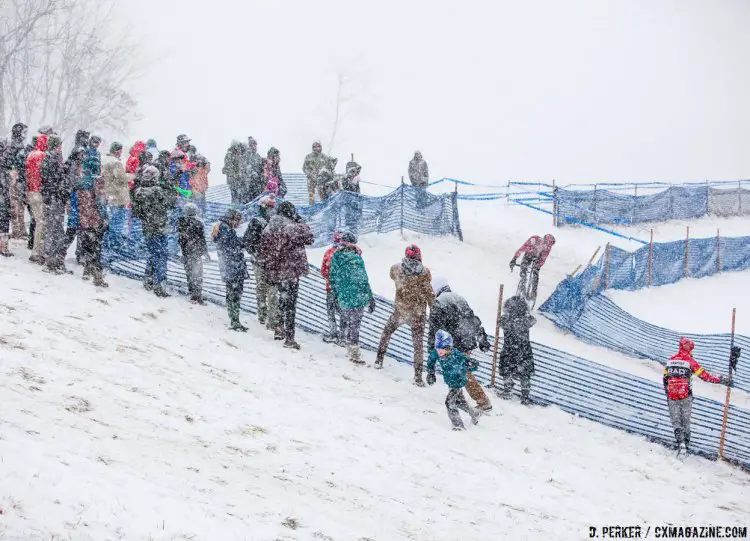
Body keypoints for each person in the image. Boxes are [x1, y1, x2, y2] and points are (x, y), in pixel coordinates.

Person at [428, 277, 493, 411]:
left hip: (453, 343)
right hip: (466, 339)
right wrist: (482, 337)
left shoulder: (438, 303)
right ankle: (459, 398)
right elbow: (473, 319)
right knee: (458, 371)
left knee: (462, 371)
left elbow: (435, 329)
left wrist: (432, 347)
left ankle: (482, 402)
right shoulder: (459, 298)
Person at [374, 244, 435, 386]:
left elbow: (391, 276)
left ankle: (379, 359)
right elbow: (430, 294)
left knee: (387, 332)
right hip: (418, 313)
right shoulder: (424, 273)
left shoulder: (396, 269)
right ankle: (418, 377)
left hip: (401, 310)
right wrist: (433, 310)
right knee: (418, 345)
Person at [664, 338, 736, 453]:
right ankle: (686, 445)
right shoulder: (690, 361)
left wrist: (668, 394)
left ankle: (680, 443)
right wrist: (721, 380)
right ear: (689, 348)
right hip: (685, 395)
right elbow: (704, 376)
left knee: (676, 420)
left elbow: (665, 379)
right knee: (685, 420)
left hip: (672, 395)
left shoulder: (670, 360)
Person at [259, 201, 314, 349]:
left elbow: (263, 250)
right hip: (290, 270)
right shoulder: (292, 228)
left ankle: (278, 327)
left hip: (275, 271)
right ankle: (290, 338)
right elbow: (310, 237)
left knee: (282, 300)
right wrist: (300, 222)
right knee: (290, 304)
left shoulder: (268, 228)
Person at [329, 232, 376, 365]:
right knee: (355, 324)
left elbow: (333, 278)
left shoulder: (336, 256)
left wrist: (336, 296)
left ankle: (349, 347)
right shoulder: (357, 258)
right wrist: (370, 297)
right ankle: (354, 352)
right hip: (358, 294)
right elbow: (363, 279)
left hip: (344, 295)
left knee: (349, 322)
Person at [132, 165, 177, 297]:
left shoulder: (139, 191)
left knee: (152, 254)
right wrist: (170, 190)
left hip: (147, 227)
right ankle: (160, 284)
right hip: (160, 227)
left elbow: (136, 212)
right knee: (161, 256)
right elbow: (170, 204)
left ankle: (148, 279)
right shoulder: (157, 191)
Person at [426, 330, 481, 431]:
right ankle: (475, 413)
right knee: (459, 402)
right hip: (449, 380)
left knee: (449, 402)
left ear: (449, 348)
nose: (439, 351)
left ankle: (458, 425)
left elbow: (467, 364)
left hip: (458, 381)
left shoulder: (457, 355)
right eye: (437, 349)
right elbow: (431, 359)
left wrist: (472, 365)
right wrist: (431, 372)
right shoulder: (437, 353)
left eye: (441, 349)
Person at [76, 142, 109, 288]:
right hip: (96, 219)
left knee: (88, 245)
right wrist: (105, 218)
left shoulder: (82, 181)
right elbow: (100, 202)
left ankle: (86, 271)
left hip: (84, 219)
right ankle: (97, 276)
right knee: (96, 248)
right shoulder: (97, 181)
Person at [243, 193, 278, 328]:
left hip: (271, 261)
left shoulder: (275, 222)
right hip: (262, 261)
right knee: (264, 288)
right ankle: (264, 315)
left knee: (269, 289)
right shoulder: (257, 222)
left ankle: (269, 317)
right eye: (270, 207)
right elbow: (248, 241)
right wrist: (257, 253)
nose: (271, 210)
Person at [211, 208, 249, 331]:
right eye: (237, 220)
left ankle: (234, 319)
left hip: (228, 266)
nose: (238, 223)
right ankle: (235, 321)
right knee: (235, 294)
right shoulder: (226, 229)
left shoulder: (221, 227)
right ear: (231, 218)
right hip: (233, 266)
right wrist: (243, 242)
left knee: (231, 294)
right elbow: (232, 247)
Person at [497, 296, 537, 405]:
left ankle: (507, 390)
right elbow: (533, 320)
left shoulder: (506, 320)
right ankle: (525, 395)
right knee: (525, 372)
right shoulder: (526, 320)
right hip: (524, 349)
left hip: (508, 348)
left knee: (506, 369)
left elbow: (499, 322)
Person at [40, 135, 70, 274]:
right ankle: (51, 261)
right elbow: (53, 180)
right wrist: (59, 191)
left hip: (53, 198)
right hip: (54, 199)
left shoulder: (51, 158)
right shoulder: (52, 158)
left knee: (55, 229)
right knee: (55, 229)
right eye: (59, 145)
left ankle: (53, 259)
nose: (60, 147)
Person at [177, 203, 210, 304]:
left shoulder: (181, 222)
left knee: (189, 273)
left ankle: (192, 293)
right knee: (198, 274)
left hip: (186, 252)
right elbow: (202, 239)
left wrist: (184, 250)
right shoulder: (199, 223)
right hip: (196, 252)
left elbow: (180, 239)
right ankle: (197, 294)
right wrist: (205, 252)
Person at [101, 142, 130, 251]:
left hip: (108, 195)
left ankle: (107, 244)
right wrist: (134, 175)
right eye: (120, 150)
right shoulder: (116, 162)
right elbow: (121, 178)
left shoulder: (103, 160)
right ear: (117, 151)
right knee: (117, 223)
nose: (121, 153)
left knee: (109, 221)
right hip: (117, 196)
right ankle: (114, 246)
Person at [510, 234, 556, 301]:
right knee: (524, 269)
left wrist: (537, 267)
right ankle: (523, 283)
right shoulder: (534, 239)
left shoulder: (548, 248)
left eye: (549, 245)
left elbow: (543, 259)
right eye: (546, 243)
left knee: (535, 273)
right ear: (543, 240)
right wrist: (514, 259)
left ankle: (533, 292)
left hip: (538, 257)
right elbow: (522, 248)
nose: (546, 246)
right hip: (529, 254)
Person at [25, 134, 48, 263]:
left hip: (30, 191)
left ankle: (35, 248)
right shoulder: (42, 156)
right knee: (41, 222)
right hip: (38, 192)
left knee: (37, 220)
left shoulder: (30, 154)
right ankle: (37, 252)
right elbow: (43, 175)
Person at [320, 232, 346, 344]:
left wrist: (330, 278)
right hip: (344, 289)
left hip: (330, 288)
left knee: (331, 312)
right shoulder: (347, 253)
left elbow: (323, 271)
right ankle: (343, 337)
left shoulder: (329, 253)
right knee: (343, 313)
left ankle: (333, 334)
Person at [8, 122, 28, 240]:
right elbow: (13, 163)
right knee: (15, 205)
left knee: (20, 204)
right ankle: (17, 230)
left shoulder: (18, 144)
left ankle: (20, 228)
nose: (25, 134)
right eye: (23, 131)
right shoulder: (15, 145)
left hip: (19, 178)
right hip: (15, 178)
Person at [302, 141, 330, 205]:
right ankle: (311, 206)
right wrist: (310, 173)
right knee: (311, 195)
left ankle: (323, 206)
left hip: (321, 179)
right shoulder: (308, 157)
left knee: (322, 194)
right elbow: (304, 168)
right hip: (311, 179)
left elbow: (328, 169)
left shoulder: (324, 157)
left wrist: (322, 174)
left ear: (320, 147)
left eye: (318, 146)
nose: (316, 148)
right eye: (314, 147)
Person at [341, 161, 363, 235]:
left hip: (356, 203)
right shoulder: (345, 178)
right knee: (350, 219)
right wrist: (352, 183)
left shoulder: (355, 178)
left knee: (356, 219)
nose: (355, 173)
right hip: (349, 203)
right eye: (353, 171)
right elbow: (347, 189)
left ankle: (354, 233)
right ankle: (351, 233)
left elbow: (357, 191)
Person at [0, 139, 13, 256]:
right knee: (4, 221)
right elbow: (5, 183)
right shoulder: (4, 165)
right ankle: (3, 247)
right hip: (3, 197)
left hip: (3, 195)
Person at [246, 137, 265, 202]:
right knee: (252, 200)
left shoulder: (257, 156)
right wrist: (254, 174)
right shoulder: (247, 155)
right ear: (250, 146)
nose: (255, 147)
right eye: (253, 145)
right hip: (251, 183)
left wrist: (264, 161)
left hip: (258, 182)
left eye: (255, 145)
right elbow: (247, 167)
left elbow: (261, 165)